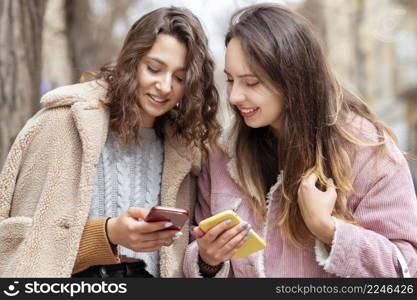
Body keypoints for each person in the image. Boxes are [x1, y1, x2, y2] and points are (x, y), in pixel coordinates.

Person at [183, 3, 417, 278]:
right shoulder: (221, 152)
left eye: (251, 82)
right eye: (231, 80)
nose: (234, 96)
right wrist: (207, 259)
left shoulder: (367, 150)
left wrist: (327, 229)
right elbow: (196, 253)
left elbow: (404, 270)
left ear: (292, 79)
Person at [0, 6, 220, 278]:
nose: (165, 86)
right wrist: (108, 234)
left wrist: (210, 261)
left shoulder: (185, 153)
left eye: (180, 78)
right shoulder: (64, 122)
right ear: (132, 60)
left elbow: (187, 264)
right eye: (154, 69)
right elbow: (19, 248)